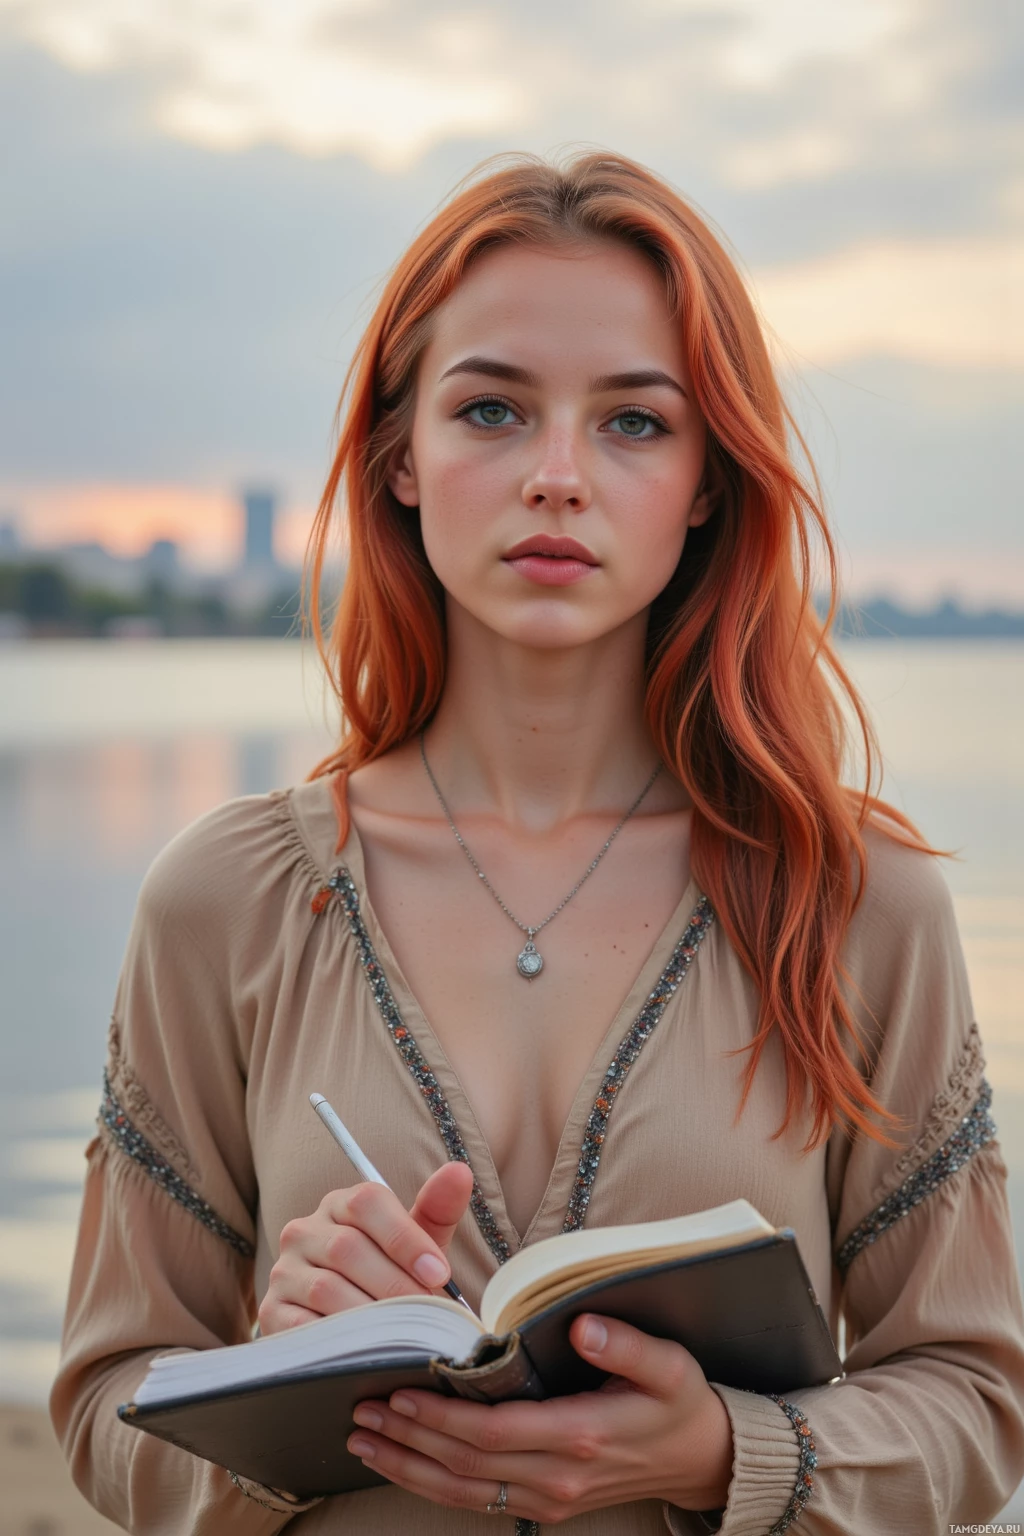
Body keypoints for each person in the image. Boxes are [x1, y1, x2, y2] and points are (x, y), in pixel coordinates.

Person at [51, 151, 1024, 1535]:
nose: (557, 477)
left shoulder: (863, 904)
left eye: (634, 424)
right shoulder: (225, 899)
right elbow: (102, 1405)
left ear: (705, 481)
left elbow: (975, 1404)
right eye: (494, 410)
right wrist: (281, 1373)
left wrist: (718, 1456)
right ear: (401, 457)